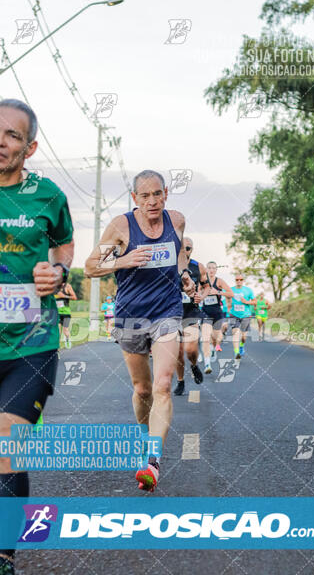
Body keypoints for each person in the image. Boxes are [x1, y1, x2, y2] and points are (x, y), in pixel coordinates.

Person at [0, 99, 74, 575]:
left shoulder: (48, 195)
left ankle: (3, 556)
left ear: (30, 147)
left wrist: (57, 270)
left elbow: (64, 243)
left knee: (10, 443)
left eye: (12, 136)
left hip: (33, 341)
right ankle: (16, 511)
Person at [85, 169, 194, 493]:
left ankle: (152, 460)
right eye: (144, 196)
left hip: (167, 311)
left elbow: (179, 255)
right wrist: (123, 260)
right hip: (131, 315)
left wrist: (183, 275)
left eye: (157, 194)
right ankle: (147, 437)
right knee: (143, 389)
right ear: (135, 198)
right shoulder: (121, 226)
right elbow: (91, 266)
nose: (151, 201)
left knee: (162, 385)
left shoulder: (176, 221)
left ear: (165, 194)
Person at [173, 237, 208, 396]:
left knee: (190, 348)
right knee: (177, 352)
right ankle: (180, 381)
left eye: (188, 248)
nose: (185, 251)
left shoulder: (198, 266)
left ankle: (194, 365)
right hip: (171, 313)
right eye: (182, 248)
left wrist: (202, 295)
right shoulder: (170, 266)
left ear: (192, 249)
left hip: (191, 312)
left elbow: (207, 286)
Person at [201, 261, 233, 374]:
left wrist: (218, 292)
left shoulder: (219, 281)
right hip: (205, 313)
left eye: (213, 268)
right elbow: (195, 292)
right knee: (205, 337)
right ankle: (207, 363)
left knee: (215, 337)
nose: (211, 270)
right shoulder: (202, 280)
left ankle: (214, 349)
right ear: (206, 269)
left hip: (217, 313)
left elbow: (231, 293)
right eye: (209, 268)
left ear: (216, 270)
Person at [229, 273, 256, 359]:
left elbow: (255, 302)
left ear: (243, 280)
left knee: (243, 337)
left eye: (241, 280)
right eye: (237, 280)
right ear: (235, 281)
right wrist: (228, 307)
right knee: (236, 334)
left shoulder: (248, 290)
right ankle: (236, 353)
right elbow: (225, 298)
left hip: (246, 315)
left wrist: (247, 302)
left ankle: (241, 346)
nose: (239, 281)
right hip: (234, 315)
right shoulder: (231, 290)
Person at [55, 281, 77, 348]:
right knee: (57, 331)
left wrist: (64, 296)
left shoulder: (67, 286)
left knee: (65, 330)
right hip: (56, 312)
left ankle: (67, 339)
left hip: (66, 313)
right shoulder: (53, 286)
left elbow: (74, 297)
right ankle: (57, 348)